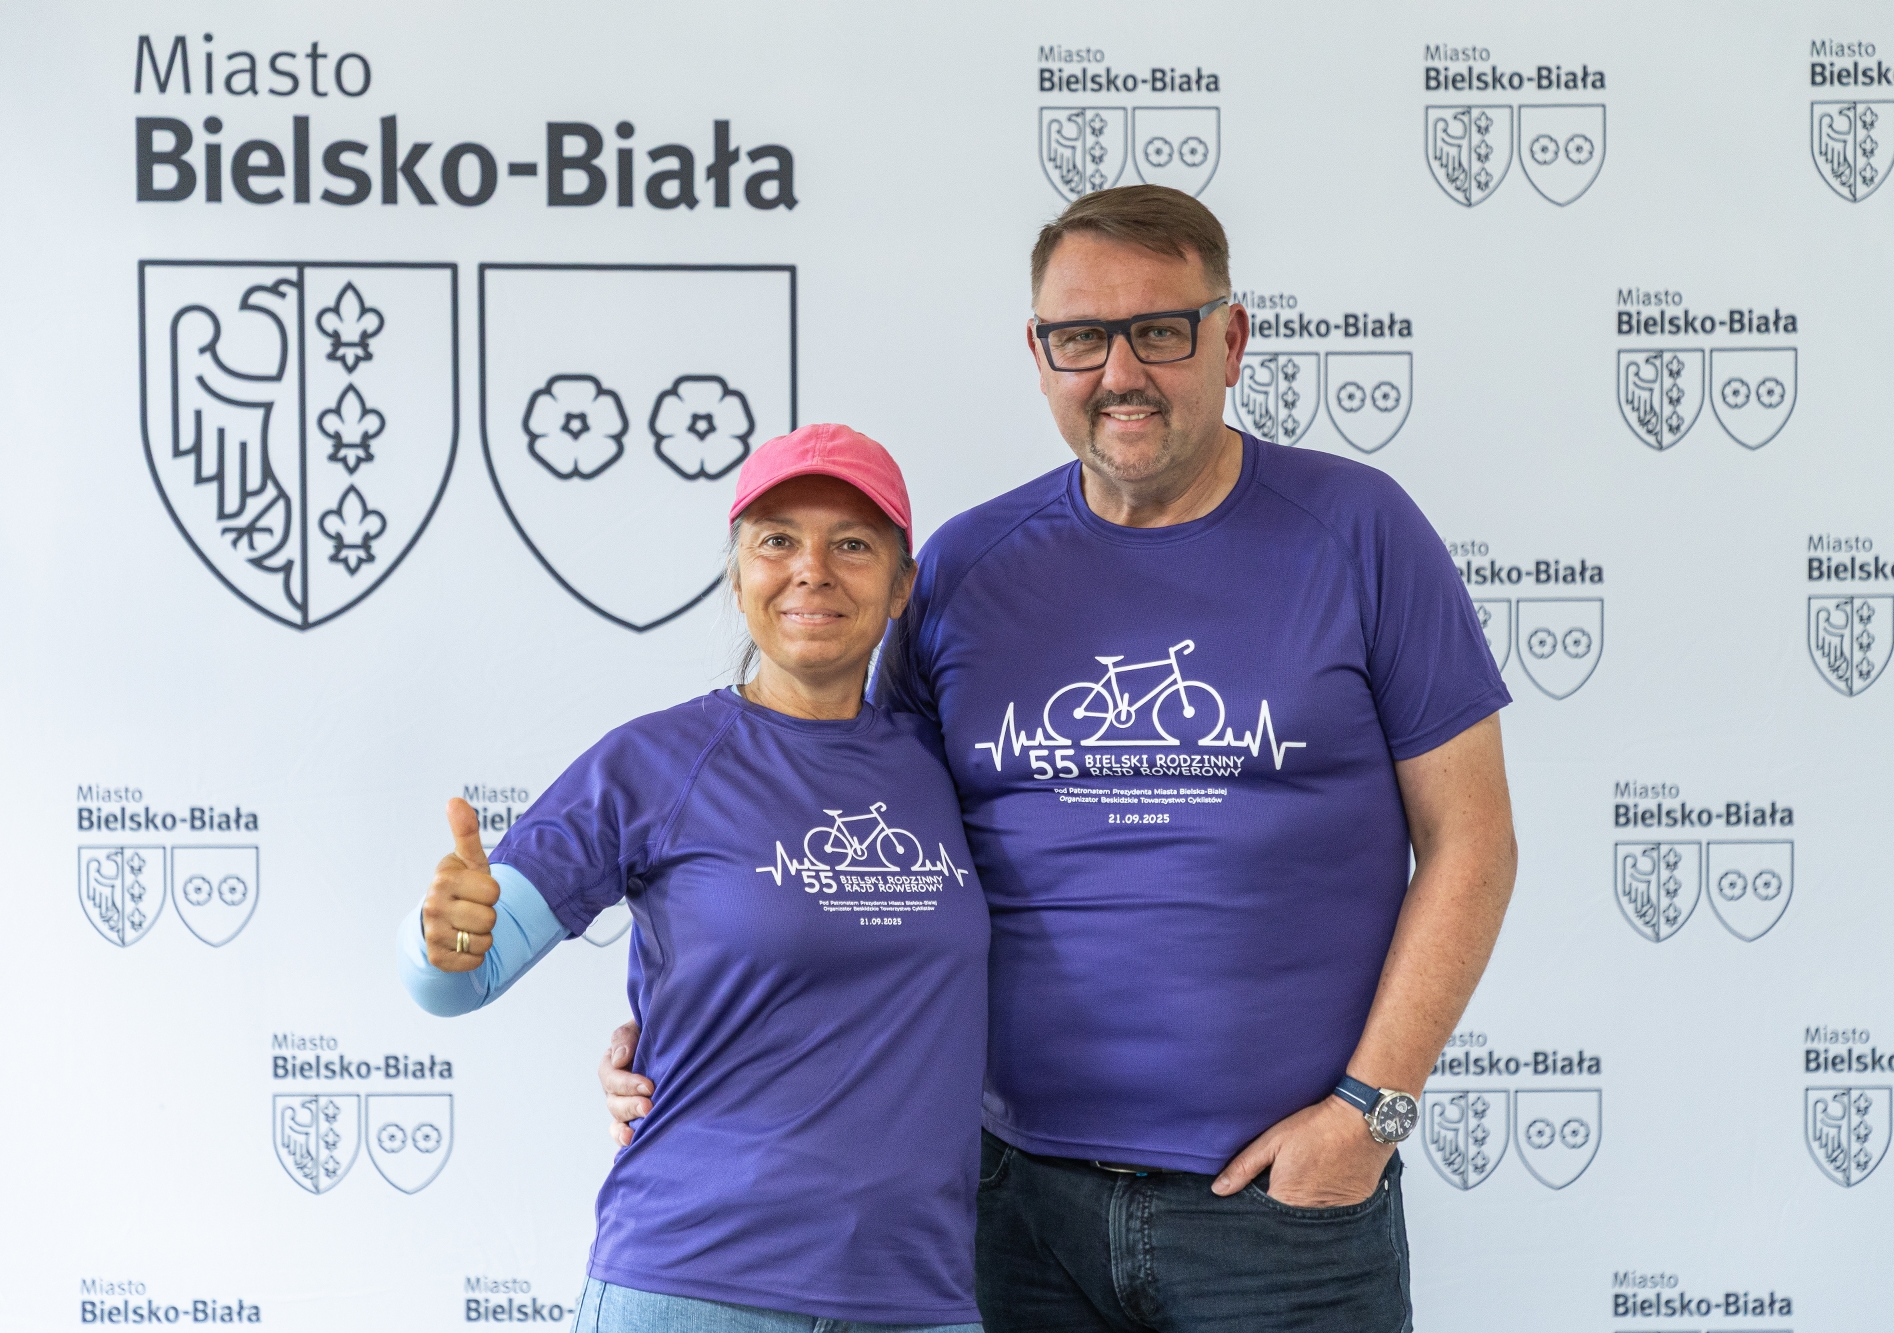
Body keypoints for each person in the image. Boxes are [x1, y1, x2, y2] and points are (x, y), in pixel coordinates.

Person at [605, 185, 1519, 1332]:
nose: (1120, 371)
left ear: (1231, 340)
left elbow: (1469, 840)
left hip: (1281, 1214)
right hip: (1007, 1202)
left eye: (1160, 330)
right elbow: (853, 848)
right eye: (1081, 337)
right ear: (1039, 355)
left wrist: (1368, 1112)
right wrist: (691, 1026)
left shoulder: (1361, 532)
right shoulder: (962, 567)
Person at [404, 425, 990, 1333]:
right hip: (696, 1284)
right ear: (736, 571)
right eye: (777, 540)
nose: (812, 570)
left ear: (902, 585)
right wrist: (441, 938)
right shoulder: (655, 762)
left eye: (852, 544)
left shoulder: (947, 766)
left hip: (918, 1294)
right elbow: (458, 980)